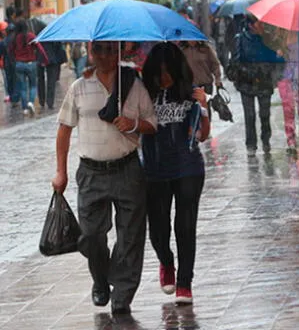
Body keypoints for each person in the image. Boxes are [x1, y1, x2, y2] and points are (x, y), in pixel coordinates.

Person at [51, 41, 157, 315]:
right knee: (90, 236)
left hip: (127, 169)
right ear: (91, 52)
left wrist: (131, 123)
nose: (106, 56)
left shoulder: (133, 84)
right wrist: (60, 171)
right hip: (91, 173)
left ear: (119, 53)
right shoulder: (79, 86)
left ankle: (122, 294)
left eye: (112, 50)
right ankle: (100, 278)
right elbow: (64, 130)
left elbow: (152, 123)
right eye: (100, 50)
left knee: (130, 237)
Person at [141, 42, 210, 304]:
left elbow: (204, 134)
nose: (164, 77)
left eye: (168, 71)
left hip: (188, 168)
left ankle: (185, 282)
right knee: (158, 230)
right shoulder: (143, 94)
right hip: (155, 170)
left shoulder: (190, 94)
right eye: (159, 72)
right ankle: (166, 261)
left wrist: (204, 106)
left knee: (185, 225)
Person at [228, 16, 283, 157]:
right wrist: (245, 71)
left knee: (265, 114)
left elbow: (277, 60)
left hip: (264, 80)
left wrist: (277, 57)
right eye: (259, 23)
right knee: (250, 115)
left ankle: (266, 140)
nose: (262, 26)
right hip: (246, 81)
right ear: (251, 25)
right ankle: (251, 144)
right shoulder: (241, 38)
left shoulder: (269, 38)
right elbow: (235, 60)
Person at [9, 20, 37, 115]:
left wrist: (14, 60)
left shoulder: (14, 38)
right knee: (33, 85)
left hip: (19, 64)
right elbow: (39, 47)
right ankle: (31, 102)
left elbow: (10, 51)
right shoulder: (31, 36)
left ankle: (24, 109)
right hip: (30, 64)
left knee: (23, 87)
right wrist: (44, 60)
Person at [36, 41, 67, 109]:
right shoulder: (52, 33)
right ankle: (49, 102)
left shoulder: (36, 32)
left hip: (40, 57)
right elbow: (58, 45)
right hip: (52, 57)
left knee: (41, 80)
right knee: (51, 81)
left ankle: (42, 101)